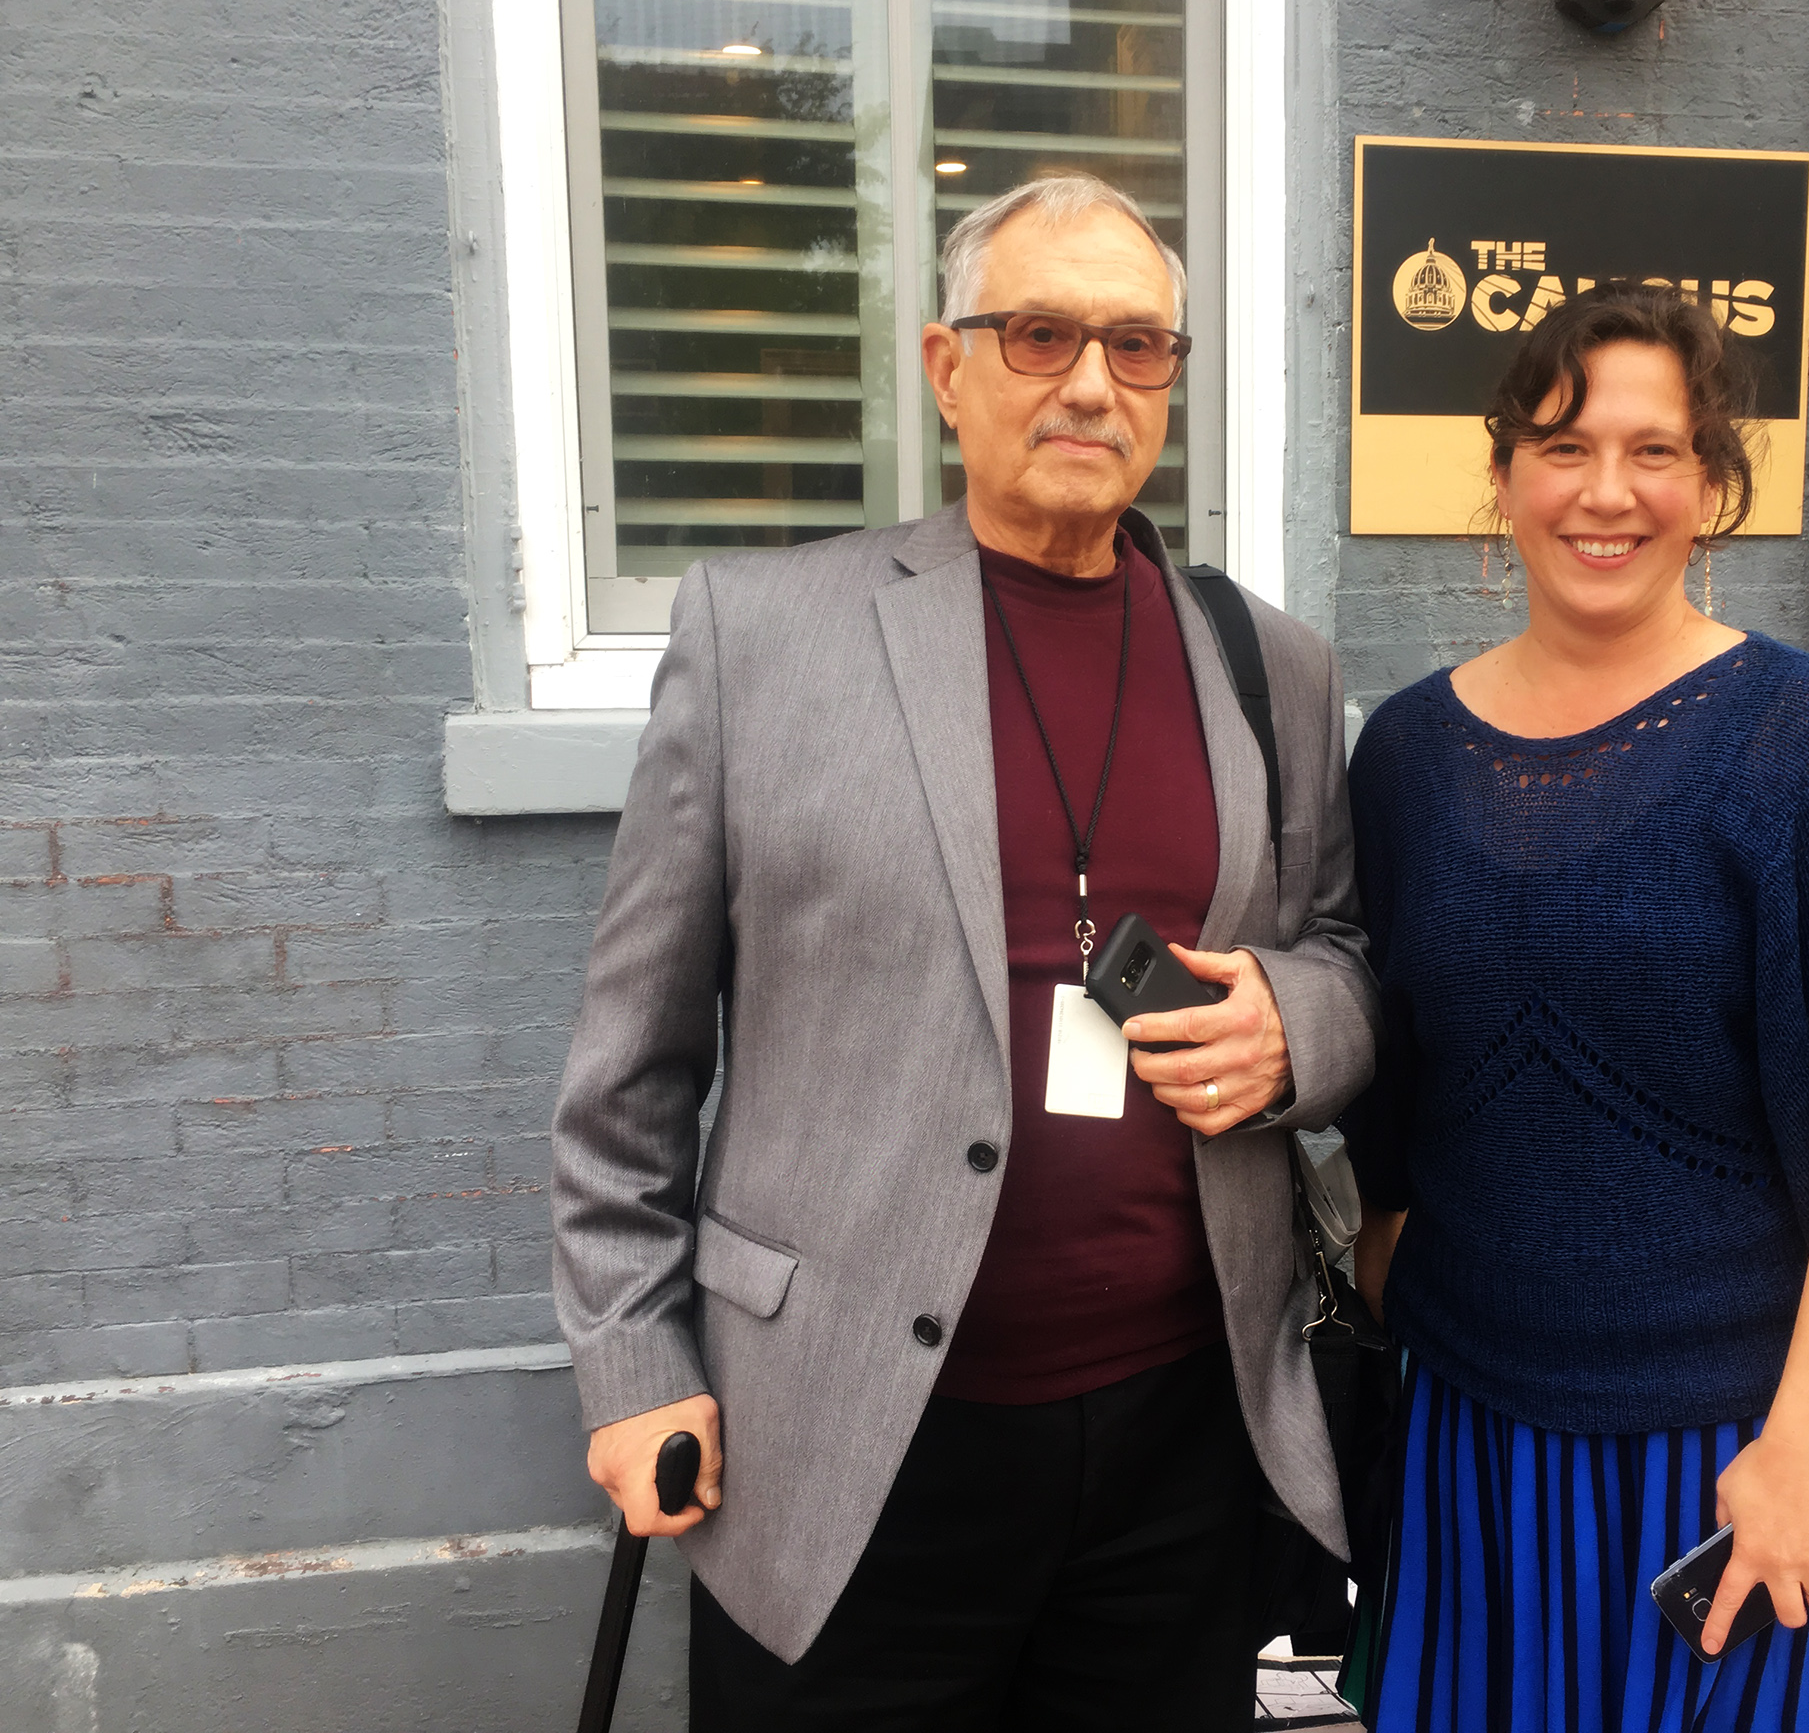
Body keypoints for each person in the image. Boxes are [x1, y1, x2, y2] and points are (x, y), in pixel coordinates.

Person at [548, 172, 1376, 1729]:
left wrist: (1299, 1032)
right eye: (1041, 333)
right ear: (948, 367)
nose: (1087, 383)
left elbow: (1337, 947)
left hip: (1178, 1445)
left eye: (1137, 348)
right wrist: (631, 1358)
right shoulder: (762, 637)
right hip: (842, 1442)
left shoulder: (1270, 663)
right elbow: (630, 1062)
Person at [1339, 281, 1809, 1732]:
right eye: (1562, 447)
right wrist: (1401, 1295)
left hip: (1737, 1450)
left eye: (1654, 451)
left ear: (1714, 485)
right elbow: (1398, 1090)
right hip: (1474, 1436)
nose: (1604, 492)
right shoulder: (1413, 757)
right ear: (1502, 478)